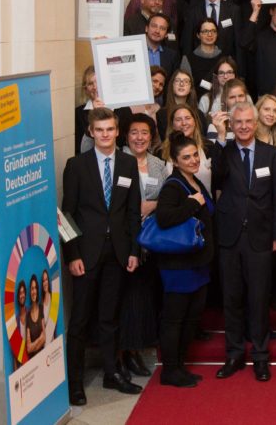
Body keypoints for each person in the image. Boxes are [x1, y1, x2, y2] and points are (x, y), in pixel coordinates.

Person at [62, 107, 143, 405]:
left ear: (117, 131)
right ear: (91, 132)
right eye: (100, 130)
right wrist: (72, 254)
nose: (105, 134)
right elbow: (67, 214)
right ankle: (74, 383)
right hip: (86, 253)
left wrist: (134, 250)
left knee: (110, 317)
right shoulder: (77, 165)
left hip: (118, 252)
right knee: (80, 320)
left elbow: (133, 211)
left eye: (110, 129)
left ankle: (112, 373)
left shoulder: (127, 163)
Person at [209, 102, 276, 382]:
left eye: (247, 121)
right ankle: (234, 354)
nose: (243, 126)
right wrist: (220, 138)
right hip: (230, 238)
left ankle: (261, 356)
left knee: (258, 299)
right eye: (237, 122)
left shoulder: (271, 154)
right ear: (231, 125)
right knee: (232, 299)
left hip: (261, 238)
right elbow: (216, 178)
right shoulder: (225, 151)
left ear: (255, 123)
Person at [153, 132, 215, 387]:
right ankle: (170, 371)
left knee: (191, 318)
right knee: (174, 319)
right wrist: (192, 204)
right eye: (186, 157)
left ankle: (180, 366)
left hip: (198, 263)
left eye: (195, 155)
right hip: (178, 266)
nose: (193, 160)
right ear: (175, 161)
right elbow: (164, 218)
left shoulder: (195, 180)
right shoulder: (173, 185)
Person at [118, 114, 166, 380]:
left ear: (151, 136)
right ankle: (123, 353)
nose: (139, 137)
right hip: (125, 240)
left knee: (143, 297)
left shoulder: (159, 165)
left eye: (144, 132)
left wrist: (153, 205)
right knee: (126, 297)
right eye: (134, 132)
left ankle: (136, 349)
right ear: (126, 135)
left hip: (151, 241)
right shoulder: (118, 161)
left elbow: (167, 196)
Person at [162, 105, 214, 195]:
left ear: (195, 122)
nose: (184, 123)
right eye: (178, 120)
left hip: (206, 201)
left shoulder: (208, 146)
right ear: (172, 125)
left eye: (187, 118)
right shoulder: (162, 151)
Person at [179, 18, 223, 98]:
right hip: (196, 102)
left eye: (213, 31)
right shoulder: (188, 59)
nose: (210, 34)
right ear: (198, 35)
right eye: (205, 31)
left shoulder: (225, 58)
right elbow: (186, 87)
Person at [144, 14, 180, 79]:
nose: (157, 31)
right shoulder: (135, 50)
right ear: (146, 28)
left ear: (166, 34)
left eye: (162, 28)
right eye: (154, 26)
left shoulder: (172, 56)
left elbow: (172, 81)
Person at [75, 66, 99, 154]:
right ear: (85, 89)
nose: (95, 87)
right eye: (90, 84)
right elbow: (78, 148)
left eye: (98, 82)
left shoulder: (122, 110)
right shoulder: (78, 114)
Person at [24, 274, 46, 358]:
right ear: (30, 291)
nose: (34, 291)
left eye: (35, 288)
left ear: (37, 290)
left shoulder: (41, 308)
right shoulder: (28, 316)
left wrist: (34, 344)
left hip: (44, 356)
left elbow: (44, 338)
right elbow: (28, 348)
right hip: (33, 360)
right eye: (32, 288)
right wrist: (39, 339)